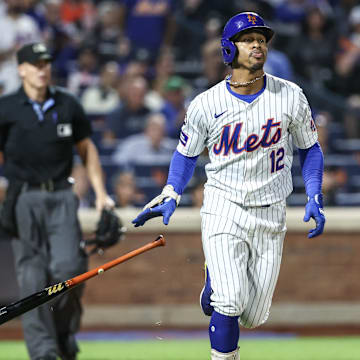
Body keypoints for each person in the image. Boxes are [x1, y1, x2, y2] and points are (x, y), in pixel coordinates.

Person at [132, 12, 326, 360]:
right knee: (230, 301)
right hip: (224, 206)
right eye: (248, 39)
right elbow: (185, 154)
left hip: (271, 212)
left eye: (262, 40)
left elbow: (310, 147)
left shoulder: (290, 95)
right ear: (228, 49)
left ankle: (213, 282)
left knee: (252, 316)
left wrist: (314, 193)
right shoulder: (206, 103)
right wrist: (172, 191)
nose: (257, 45)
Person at [0, 42, 114, 360]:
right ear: (21, 69)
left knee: (71, 269)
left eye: (46, 63)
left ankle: (63, 331)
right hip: (23, 197)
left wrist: (102, 195)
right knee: (32, 279)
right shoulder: (6, 108)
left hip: (63, 196)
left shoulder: (67, 103)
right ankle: (43, 352)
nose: (42, 68)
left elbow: (87, 149)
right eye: (35, 64)